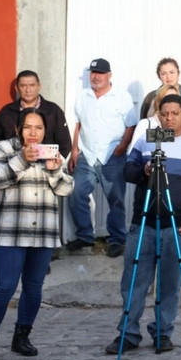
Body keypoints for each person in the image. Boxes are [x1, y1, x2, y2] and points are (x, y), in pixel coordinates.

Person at [105, 95, 181, 355]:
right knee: (134, 282)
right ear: (159, 115)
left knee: (169, 284)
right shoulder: (147, 139)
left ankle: (163, 333)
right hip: (143, 224)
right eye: (165, 113)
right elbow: (127, 173)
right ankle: (128, 333)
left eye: (175, 113)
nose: (170, 118)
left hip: (176, 226)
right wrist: (145, 170)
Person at [0, 108, 74, 360]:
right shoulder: (4, 148)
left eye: (38, 128)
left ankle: (22, 336)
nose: (33, 133)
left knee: (34, 287)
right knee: (4, 288)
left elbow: (66, 189)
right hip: (11, 232)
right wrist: (22, 160)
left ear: (45, 130)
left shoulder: (52, 151)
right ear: (18, 129)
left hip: (43, 233)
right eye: (28, 127)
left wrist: (54, 170)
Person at [66, 58, 137, 258]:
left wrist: (122, 148)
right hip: (86, 155)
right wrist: (74, 150)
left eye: (100, 73)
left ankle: (116, 239)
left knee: (116, 201)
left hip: (112, 157)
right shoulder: (82, 96)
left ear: (109, 75)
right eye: (93, 72)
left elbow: (131, 125)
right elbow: (78, 124)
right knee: (76, 195)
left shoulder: (122, 97)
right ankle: (85, 236)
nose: (96, 76)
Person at [0, 70, 71, 158]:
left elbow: (65, 143)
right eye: (23, 86)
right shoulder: (7, 112)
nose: (28, 90)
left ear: (39, 86)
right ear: (16, 88)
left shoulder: (53, 111)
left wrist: (53, 165)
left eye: (32, 85)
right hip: (14, 167)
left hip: (45, 167)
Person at [140, 57, 181, 135]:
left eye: (172, 72)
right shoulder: (151, 97)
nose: (168, 77)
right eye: (163, 73)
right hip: (156, 141)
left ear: (178, 73)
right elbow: (143, 120)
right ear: (159, 76)